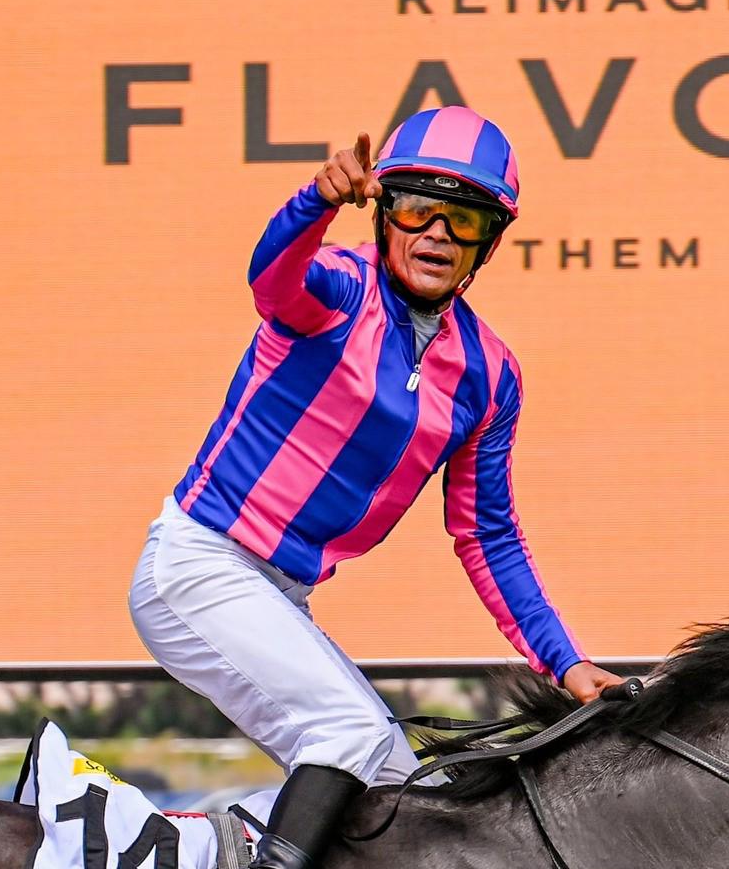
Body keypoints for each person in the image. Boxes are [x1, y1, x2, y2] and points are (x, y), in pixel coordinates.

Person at [129, 106, 623, 869]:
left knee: (403, 794)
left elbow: (487, 535)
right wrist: (316, 202)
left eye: (463, 220)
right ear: (384, 214)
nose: (437, 234)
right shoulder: (335, 287)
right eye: (417, 209)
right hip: (198, 564)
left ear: (487, 242)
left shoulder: (490, 374)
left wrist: (566, 662)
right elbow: (270, 279)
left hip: (280, 595)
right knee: (349, 735)